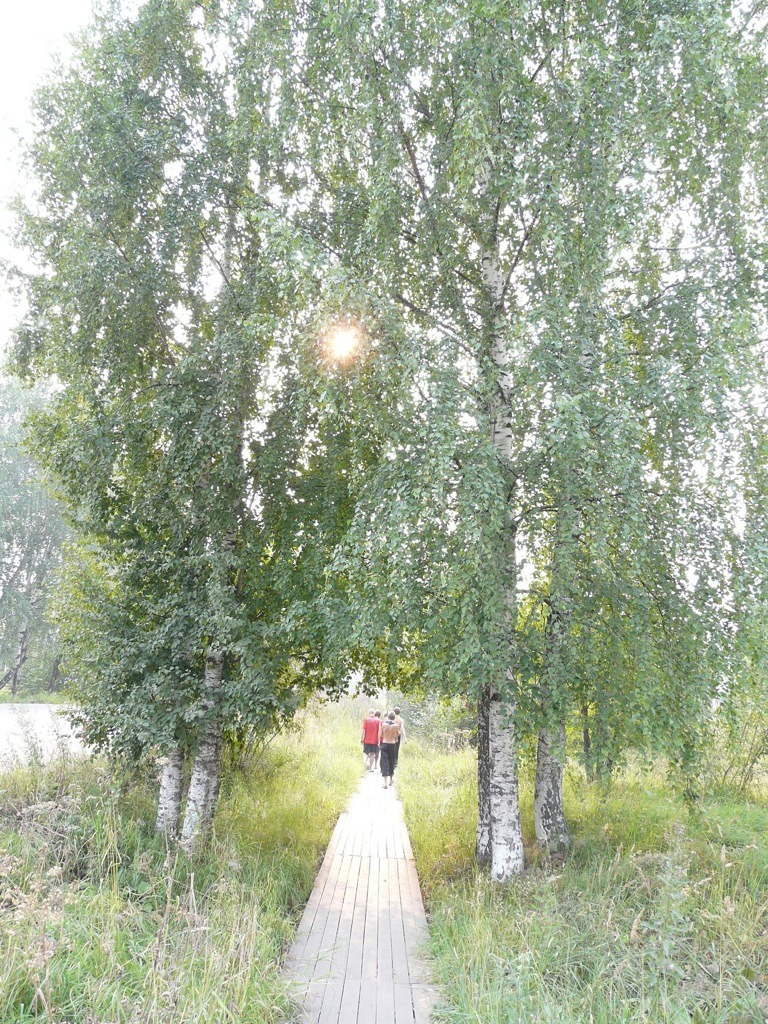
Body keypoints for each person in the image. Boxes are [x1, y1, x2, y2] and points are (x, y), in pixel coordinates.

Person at [379, 712, 401, 789]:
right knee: (391, 761)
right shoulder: (396, 725)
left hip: (385, 743)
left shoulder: (384, 724)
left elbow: (381, 734)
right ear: (394, 718)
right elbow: (398, 734)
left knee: (384, 762)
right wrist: (394, 737)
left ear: (388, 717)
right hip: (392, 744)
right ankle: (391, 780)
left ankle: (385, 782)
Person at [392, 706, 406, 772]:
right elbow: (402, 728)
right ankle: (395, 762)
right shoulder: (401, 720)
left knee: (391, 747)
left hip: (391, 734)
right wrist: (405, 737)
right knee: (396, 749)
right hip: (398, 735)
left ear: (393, 711)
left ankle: (391, 759)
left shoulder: (392, 718)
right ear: (399, 712)